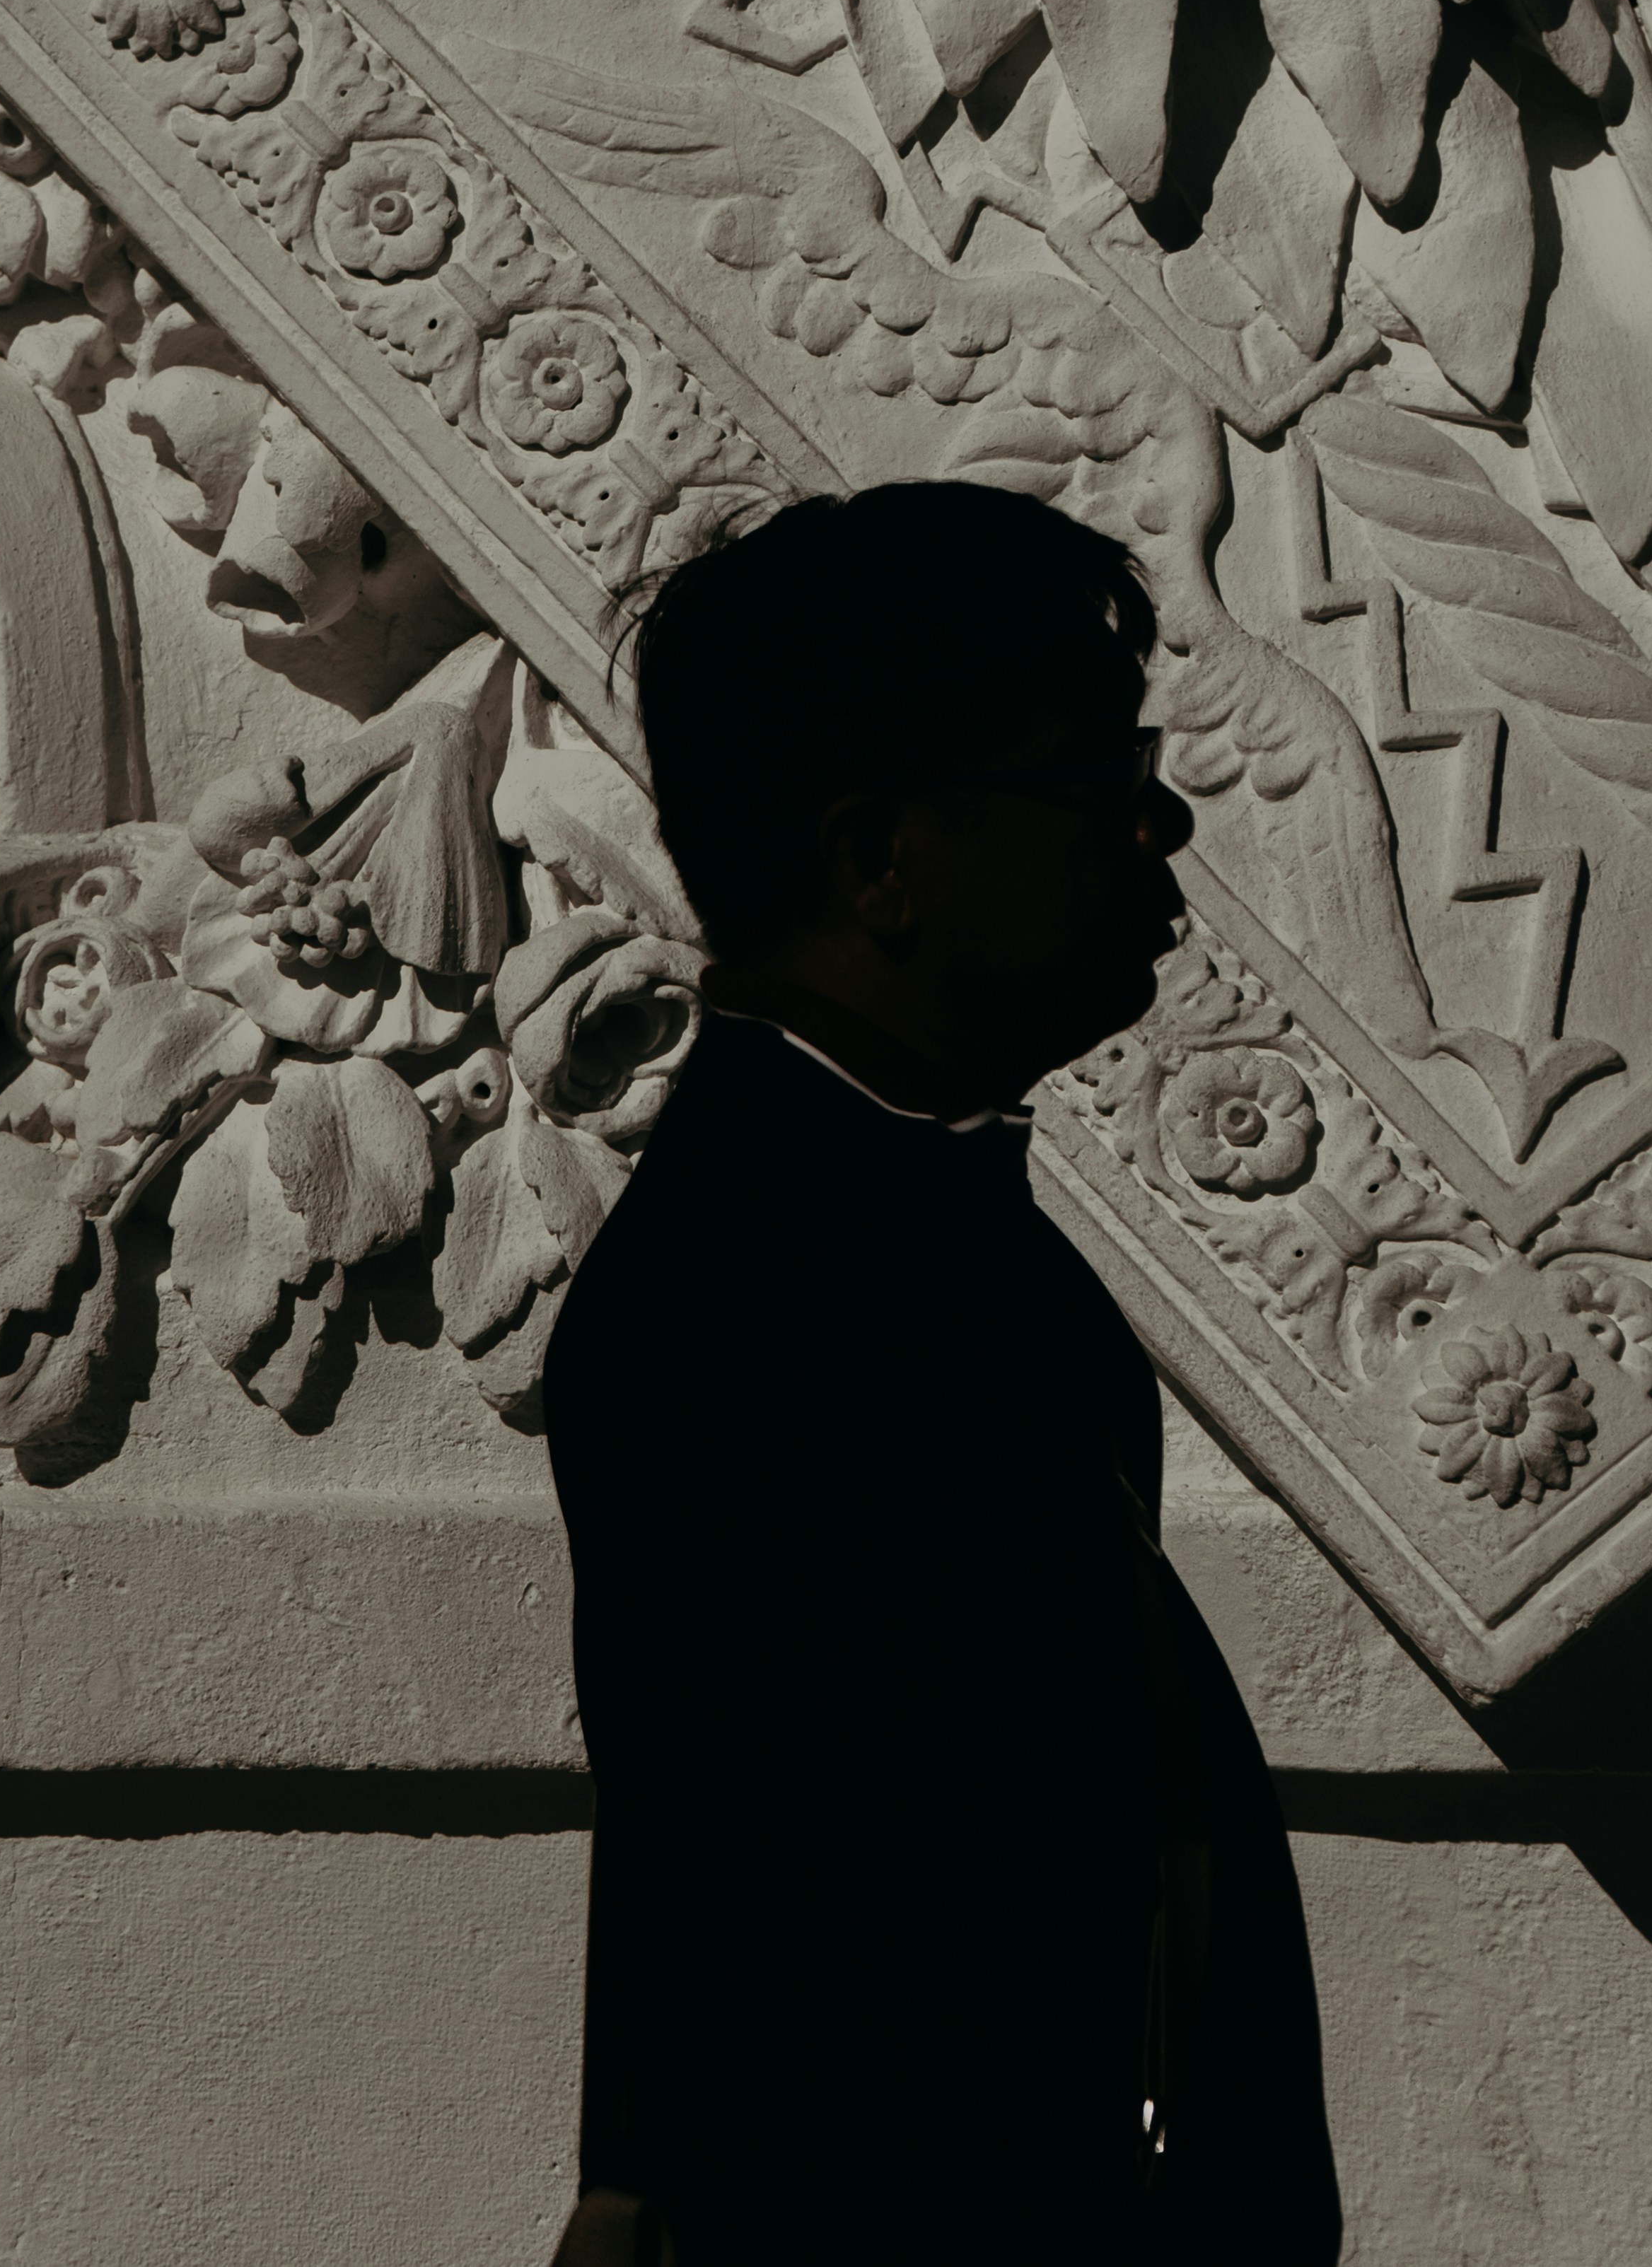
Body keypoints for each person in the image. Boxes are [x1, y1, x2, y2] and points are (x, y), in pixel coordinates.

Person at [540, 484, 1341, 2266]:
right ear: (878, 855)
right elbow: (809, 2003)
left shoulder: (908, 1218)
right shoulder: (758, 1302)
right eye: (1092, 788)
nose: (1162, 823)